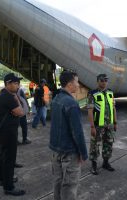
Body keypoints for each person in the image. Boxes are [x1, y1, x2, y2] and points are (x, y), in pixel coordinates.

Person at [49, 71, 88, 200]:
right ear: (70, 84)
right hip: (69, 152)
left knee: (58, 182)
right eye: (77, 82)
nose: (78, 85)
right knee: (70, 186)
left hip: (56, 150)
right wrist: (83, 152)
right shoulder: (71, 103)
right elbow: (77, 132)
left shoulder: (56, 99)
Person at [0, 73, 25, 196]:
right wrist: (17, 99)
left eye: (18, 83)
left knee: (3, 157)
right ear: (8, 83)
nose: (18, 85)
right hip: (9, 132)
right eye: (15, 83)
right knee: (9, 159)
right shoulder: (8, 97)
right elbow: (21, 112)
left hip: (4, 132)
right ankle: (9, 187)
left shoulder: (2, 94)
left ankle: (4, 180)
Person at [87, 74, 117, 175]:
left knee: (108, 144)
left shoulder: (110, 93)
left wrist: (115, 122)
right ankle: (94, 165)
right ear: (97, 81)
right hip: (98, 125)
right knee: (95, 145)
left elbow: (113, 108)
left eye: (105, 80)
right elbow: (90, 111)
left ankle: (105, 162)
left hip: (109, 125)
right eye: (102, 80)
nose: (104, 82)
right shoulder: (92, 93)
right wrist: (92, 126)